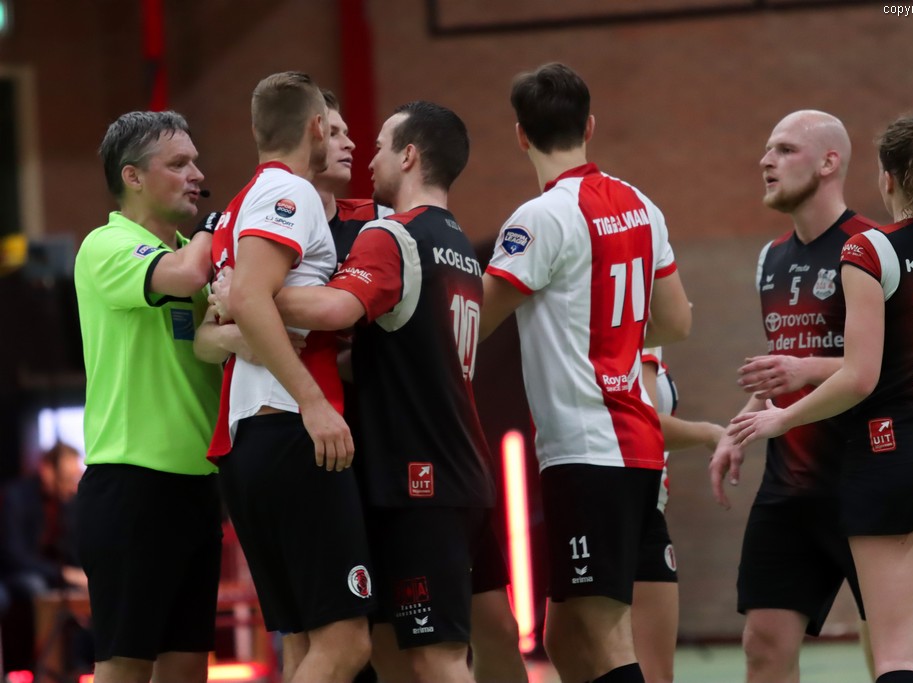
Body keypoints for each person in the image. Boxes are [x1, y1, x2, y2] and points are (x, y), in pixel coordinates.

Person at [729, 115, 913, 683]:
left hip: (896, 456)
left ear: (887, 178)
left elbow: (859, 377)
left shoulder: (870, 249)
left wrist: (783, 419)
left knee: (900, 655)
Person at [480, 62, 691, 683]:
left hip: (586, 450)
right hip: (639, 446)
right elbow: (676, 322)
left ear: (520, 135)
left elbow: (472, 323)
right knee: (564, 633)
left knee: (604, 635)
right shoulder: (642, 205)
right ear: (589, 126)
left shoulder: (539, 218)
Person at [270, 100, 496, 683]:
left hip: (422, 481)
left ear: (409, 155)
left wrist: (250, 292)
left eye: (379, 146)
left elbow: (334, 308)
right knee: (397, 651)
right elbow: (401, 356)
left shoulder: (392, 233)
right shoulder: (461, 247)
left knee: (438, 658)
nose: (368, 159)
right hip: (457, 471)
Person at [202, 71, 373, 683]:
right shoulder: (290, 192)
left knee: (303, 639)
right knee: (347, 644)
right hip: (292, 433)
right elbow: (249, 296)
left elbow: (216, 324)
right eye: (336, 129)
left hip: (248, 439)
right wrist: (313, 403)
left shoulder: (236, 207)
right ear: (316, 128)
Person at [707, 110, 874, 683]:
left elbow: (889, 367)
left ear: (829, 162)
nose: (766, 161)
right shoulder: (771, 257)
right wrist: (738, 430)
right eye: (767, 149)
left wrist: (805, 368)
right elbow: (783, 368)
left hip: (867, 479)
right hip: (789, 486)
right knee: (763, 644)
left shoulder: (872, 247)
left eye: (783, 149)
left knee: (910, 650)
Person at [73, 110, 222, 683]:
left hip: (199, 486)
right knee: (125, 668)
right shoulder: (107, 244)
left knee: (187, 669)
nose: (196, 175)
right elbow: (183, 277)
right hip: (131, 484)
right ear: (132, 177)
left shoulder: (195, 251)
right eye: (179, 163)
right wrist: (218, 227)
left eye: (196, 162)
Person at [635, 348, 722, 683]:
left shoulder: (650, 346)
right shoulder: (638, 338)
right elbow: (644, 421)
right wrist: (711, 433)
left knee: (652, 668)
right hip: (627, 505)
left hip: (647, 508)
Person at [0, 443, 85, 672]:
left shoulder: (69, 505)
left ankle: (75, 665)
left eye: (76, 478)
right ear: (47, 470)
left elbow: (74, 550)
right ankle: (39, 667)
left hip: (53, 576)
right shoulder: (16, 496)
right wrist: (64, 574)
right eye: (67, 478)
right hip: (15, 575)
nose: (73, 486)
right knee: (35, 585)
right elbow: (13, 554)